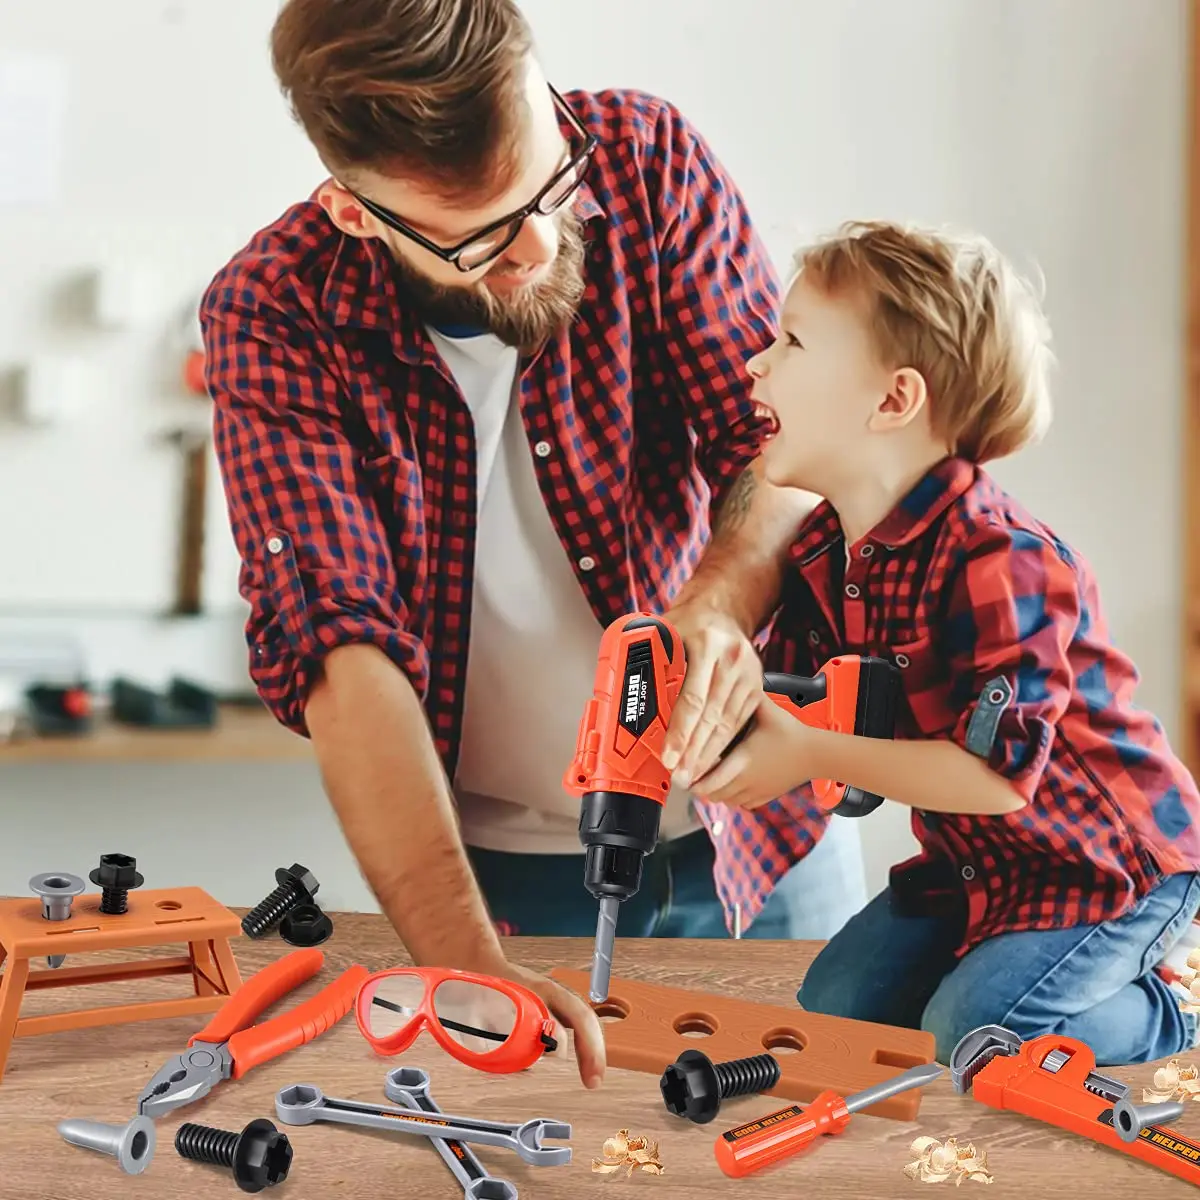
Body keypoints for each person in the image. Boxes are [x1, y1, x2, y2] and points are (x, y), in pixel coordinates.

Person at [201, 0, 870, 1090]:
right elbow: (342, 653)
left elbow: (782, 447)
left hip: (757, 825)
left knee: (823, 1113)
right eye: (477, 236)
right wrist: (468, 967)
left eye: (550, 185)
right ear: (356, 213)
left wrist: (714, 601)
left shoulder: (647, 162)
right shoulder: (276, 313)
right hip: (499, 876)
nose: (543, 246)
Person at [691, 219, 1200, 1066]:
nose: (757, 361)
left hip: (1110, 872)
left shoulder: (1003, 558)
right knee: (838, 1014)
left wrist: (807, 747)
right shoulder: (824, 553)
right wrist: (741, 720)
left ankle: (1170, 1015)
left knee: (971, 1037)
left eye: (791, 341)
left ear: (893, 400)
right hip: (980, 868)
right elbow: (843, 730)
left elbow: (997, 780)